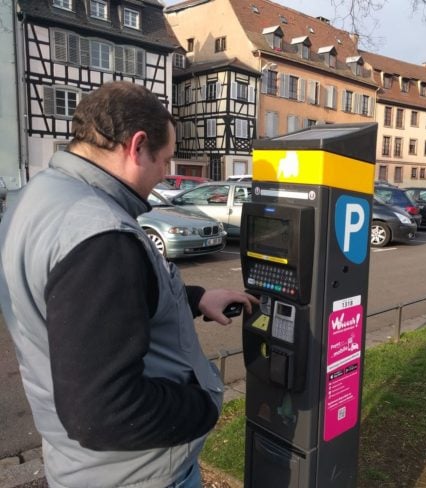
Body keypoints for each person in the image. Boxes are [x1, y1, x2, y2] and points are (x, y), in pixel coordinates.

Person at [0, 82, 257, 488]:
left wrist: (193, 298)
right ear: (137, 147)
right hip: (137, 475)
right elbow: (103, 413)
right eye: (166, 159)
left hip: (81, 466)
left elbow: (90, 312)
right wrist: (203, 404)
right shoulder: (101, 236)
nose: (166, 174)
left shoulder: (39, 197)